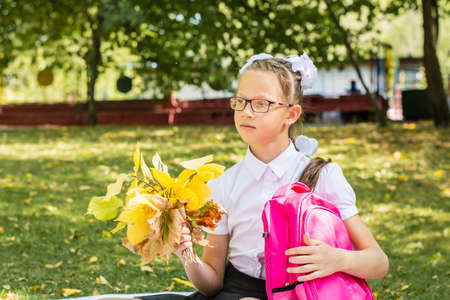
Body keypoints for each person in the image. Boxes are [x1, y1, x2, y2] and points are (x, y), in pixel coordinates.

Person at [101, 52, 389, 300]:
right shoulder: (225, 185)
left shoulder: (321, 176)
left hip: (304, 291)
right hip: (238, 292)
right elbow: (212, 283)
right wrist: (186, 253)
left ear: (291, 114)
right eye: (240, 101)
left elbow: (378, 262)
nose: (246, 113)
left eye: (261, 104)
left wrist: (339, 259)